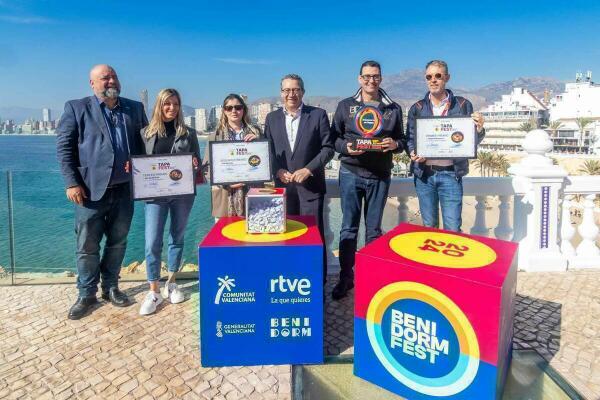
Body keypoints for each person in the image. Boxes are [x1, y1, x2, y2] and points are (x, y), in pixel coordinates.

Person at [56, 64, 147, 320]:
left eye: (114, 76)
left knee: (118, 242)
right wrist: (71, 183)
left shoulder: (134, 108)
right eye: (105, 77)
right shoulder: (77, 107)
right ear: (92, 83)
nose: (111, 81)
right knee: (87, 245)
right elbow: (64, 148)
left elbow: (146, 143)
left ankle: (111, 287)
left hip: (124, 189)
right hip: (88, 192)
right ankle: (86, 294)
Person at [331, 60, 405, 300]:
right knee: (348, 229)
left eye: (375, 76)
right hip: (350, 173)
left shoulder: (393, 108)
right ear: (359, 79)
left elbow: (402, 140)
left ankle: (373, 279)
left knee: (373, 231)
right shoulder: (345, 106)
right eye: (366, 76)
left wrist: (395, 145)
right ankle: (346, 277)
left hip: (380, 176)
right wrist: (347, 147)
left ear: (381, 79)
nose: (371, 80)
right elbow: (334, 139)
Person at [264, 74, 334, 282]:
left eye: (295, 90)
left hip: (311, 189)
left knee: (314, 238)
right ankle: (290, 279)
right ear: (281, 93)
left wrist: (309, 169)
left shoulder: (318, 115)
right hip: (283, 191)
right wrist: (277, 171)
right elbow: (267, 151)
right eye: (286, 90)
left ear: (303, 92)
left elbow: (328, 149)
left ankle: (316, 282)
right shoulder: (271, 118)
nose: (291, 94)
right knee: (286, 237)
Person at [138, 89, 201, 315]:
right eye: (167, 103)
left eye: (175, 104)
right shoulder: (145, 133)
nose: (171, 108)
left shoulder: (189, 133)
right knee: (152, 241)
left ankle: (171, 282)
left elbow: (198, 166)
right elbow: (139, 164)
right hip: (155, 196)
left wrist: (195, 166)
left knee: (177, 237)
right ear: (159, 105)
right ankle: (153, 290)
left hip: (182, 194)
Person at [406, 60, 485, 232]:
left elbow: (471, 141)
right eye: (429, 76)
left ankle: (450, 260)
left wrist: (479, 129)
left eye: (438, 76)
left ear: (447, 78)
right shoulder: (417, 108)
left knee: (452, 229)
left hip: (451, 174)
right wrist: (412, 152)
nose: (433, 80)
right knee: (429, 228)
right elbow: (410, 138)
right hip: (424, 175)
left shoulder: (463, 105)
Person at [204, 94, 261, 218]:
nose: (234, 111)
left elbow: (266, 160)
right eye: (229, 108)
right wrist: (225, 183)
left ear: (243, 109)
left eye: (238, 107)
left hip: (252, 194)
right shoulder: (215, 136)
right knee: (224, 236)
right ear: (224, 111)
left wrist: (259, 143)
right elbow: (207, 169)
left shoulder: (257, 133)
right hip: (224, 197)